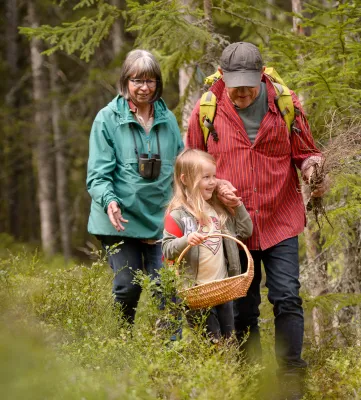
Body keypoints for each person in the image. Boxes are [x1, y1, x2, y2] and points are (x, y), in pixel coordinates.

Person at [186, 42, 328, 397]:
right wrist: (215, 187)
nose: (243, 92)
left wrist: (314, 170)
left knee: (287, 297)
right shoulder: (206, 109)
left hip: (280, 216)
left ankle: (291, 378)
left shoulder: (286, 105)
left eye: (250, 84)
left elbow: (307, 153)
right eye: (237, 85)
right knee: (242, 305)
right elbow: (190, 167)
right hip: (232, 226)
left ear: (261, 76)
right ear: (225, 78)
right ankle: (252, 380)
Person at [86, 49, 184, 324]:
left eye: (150, 81)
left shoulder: (168, 120)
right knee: (128, 286)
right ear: (125, 82)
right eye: (137, 80)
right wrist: (110, 201)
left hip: (159, 221)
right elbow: (98, 175)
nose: (144, 87)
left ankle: (170, 352)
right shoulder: (107, 119)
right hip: (120, 219)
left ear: (158, 83)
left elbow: (179, 170)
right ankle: (123, 346)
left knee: (166, 289)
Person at [162, 149, 253, 342]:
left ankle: (226, 372)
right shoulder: (178, 215)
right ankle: (208, 372)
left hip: (222, 288)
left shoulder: (217, 210)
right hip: (196, 293)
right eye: (206, 177)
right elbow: (167, 249)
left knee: (229, 340)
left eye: (214, 176)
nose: (213, 182)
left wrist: (237, 205)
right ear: (185, 179)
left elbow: (245, 231)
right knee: (211, 342)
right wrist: (186, 239)